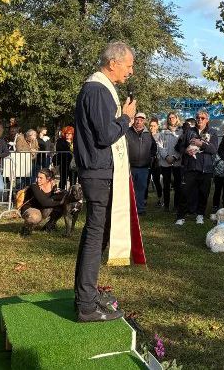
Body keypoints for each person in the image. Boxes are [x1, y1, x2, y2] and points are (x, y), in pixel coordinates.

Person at [73, 41, 136, 322]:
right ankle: (85, 303)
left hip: (100, 171)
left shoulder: (99, 89)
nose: (131, 72)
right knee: (95, 233)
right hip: (97, 172)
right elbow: (104, 135)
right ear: (113, 63)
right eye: (129, 65)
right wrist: (126, 118)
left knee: (99, 232)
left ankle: (88, 293)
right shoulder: (97, 90)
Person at [176, 108, 219, 225]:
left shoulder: (213, 132)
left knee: (204, 193)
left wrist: (201, 144)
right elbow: (180, 147)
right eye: (198, 118)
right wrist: (186, 151)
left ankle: (200, 215)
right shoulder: (189, 131)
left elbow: (214, 149)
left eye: (202, 118)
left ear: (207, 120)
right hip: (191, 167)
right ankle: (181, 216)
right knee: (184, 191)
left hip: (206, 168)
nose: (199, 120)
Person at [19, 168, 71, 235]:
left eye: (41, 178)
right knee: (34, 217)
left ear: (48, 179)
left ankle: (50, 225)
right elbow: (44, 202)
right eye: (37, 177)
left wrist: (60, 193)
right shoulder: (34, 186)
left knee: (61, 207)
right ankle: (26, 228)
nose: (38, 180)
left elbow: (64, 196)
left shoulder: (53, 186)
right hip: (31, 209)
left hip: (43, 209)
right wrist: (61, 202)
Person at [126, 112, 157, 215]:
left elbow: (154, 147)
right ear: (134, 120)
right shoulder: (127, 132)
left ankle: (140, 209)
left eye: (141, 119)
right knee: (128, 189)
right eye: (137, 119)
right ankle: (128, 210)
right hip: (128, 167)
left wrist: (151, 157)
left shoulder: (148, 134)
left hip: (143, 167)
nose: (139, 121)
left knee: (141, 189)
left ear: (144, 121)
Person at [157, 112, 183, 217]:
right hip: (165, 162)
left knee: (178, 186)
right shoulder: (163, 132)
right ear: (167, 119)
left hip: (177, 162)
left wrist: (175, 157)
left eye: (173, 117)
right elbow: (160, 146)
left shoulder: (181, 132)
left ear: (177, 119)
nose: (171, 119)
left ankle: (176, 206)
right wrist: (166, 156)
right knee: (166, 185)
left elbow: (183, 146)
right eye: (169, 117)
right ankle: (166, 205)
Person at [55, 126, 77, 190]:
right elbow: (59, 149)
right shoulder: (60, 141)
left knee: (73, 180)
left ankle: (73, 194)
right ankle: (61, 193)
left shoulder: (75, 141)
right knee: (63, 180)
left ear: (72, 134)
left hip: (73, 164)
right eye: (66, 133)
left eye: (69, 133)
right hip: (64, 163)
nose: (67, 135)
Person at [147, 118, 162, 203]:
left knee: (157, 181)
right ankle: (144, 200)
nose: (152, 128)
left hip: (157, 162)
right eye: (151, 126)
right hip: (147, 161)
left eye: (154, 126)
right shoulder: (146, 135)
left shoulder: (160, 136)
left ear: (157, 127)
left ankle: (159, 198)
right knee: (146, 180)